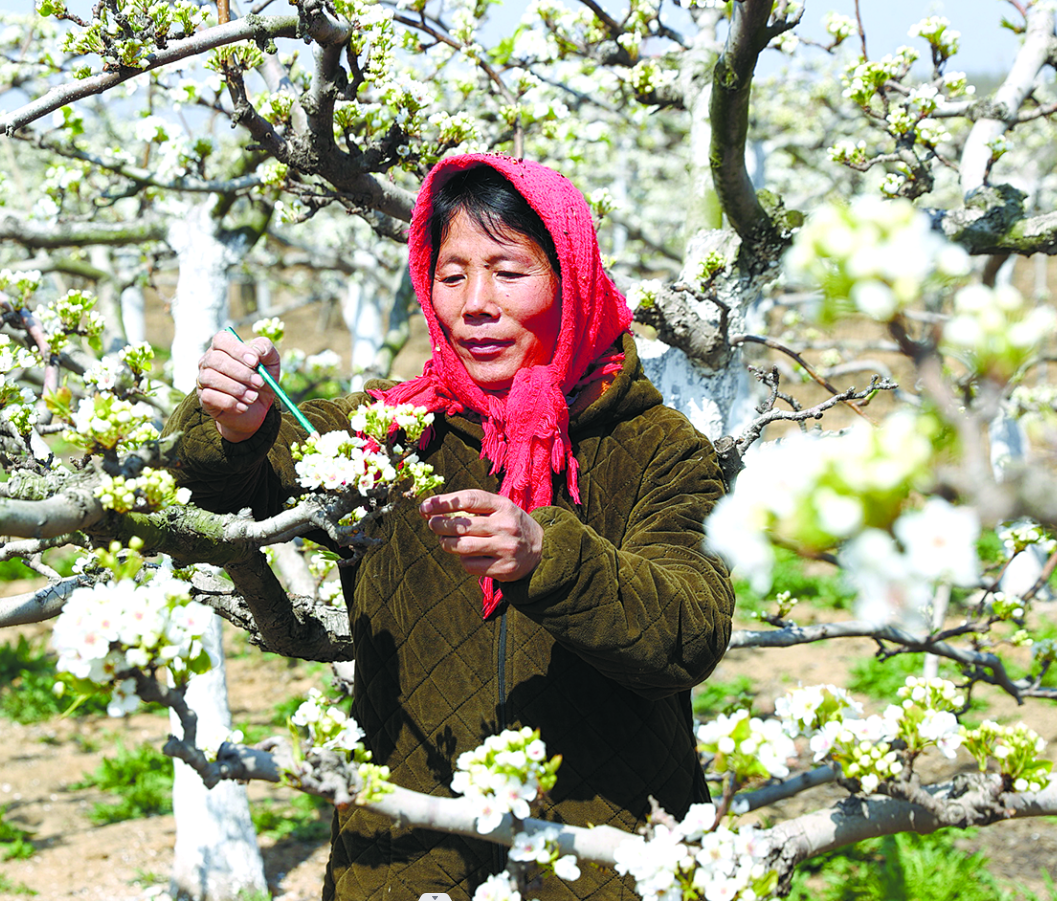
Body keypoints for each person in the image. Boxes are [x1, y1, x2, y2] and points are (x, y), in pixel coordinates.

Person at [164, 153, 735, 900]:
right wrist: (232, 427)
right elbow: (230, 483)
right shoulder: (392, 433)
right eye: (454, 273)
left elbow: (690, 630)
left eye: (508, 270)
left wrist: (547, 556)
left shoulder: (657, 445)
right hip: (407, 853)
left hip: (604, 860)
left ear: (573, 280)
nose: (476, 303)